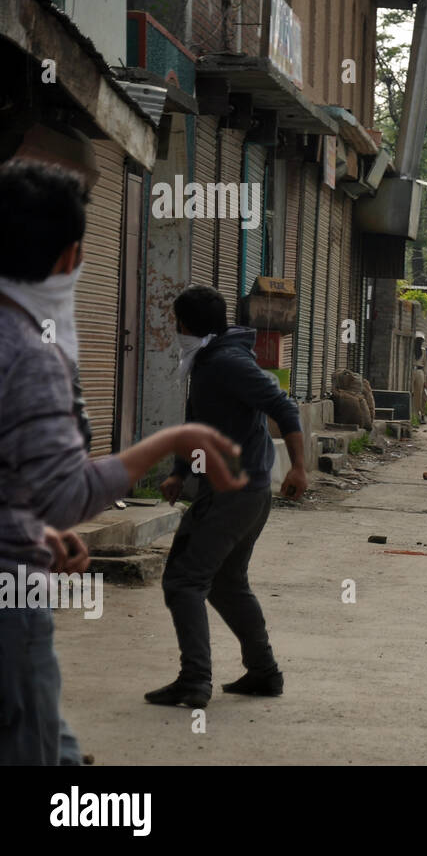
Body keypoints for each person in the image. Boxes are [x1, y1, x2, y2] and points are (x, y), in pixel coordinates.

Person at [0, 160, 245, 765]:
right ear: (71, 256)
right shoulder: (30, 353)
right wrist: (171, 440)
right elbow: (61, 492)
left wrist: (37, 529)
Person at [149, 284, 310, 709]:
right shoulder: (208, 360)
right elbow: (199, 422)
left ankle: (194, 682)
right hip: (243, 493)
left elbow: (284, 407)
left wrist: (298, 466)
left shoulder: (226, 362)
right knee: (226, 583)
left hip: (233, 495)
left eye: (175, 320)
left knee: (184, 581)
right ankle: (263, 673)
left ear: (183, 323)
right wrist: (181, 472)